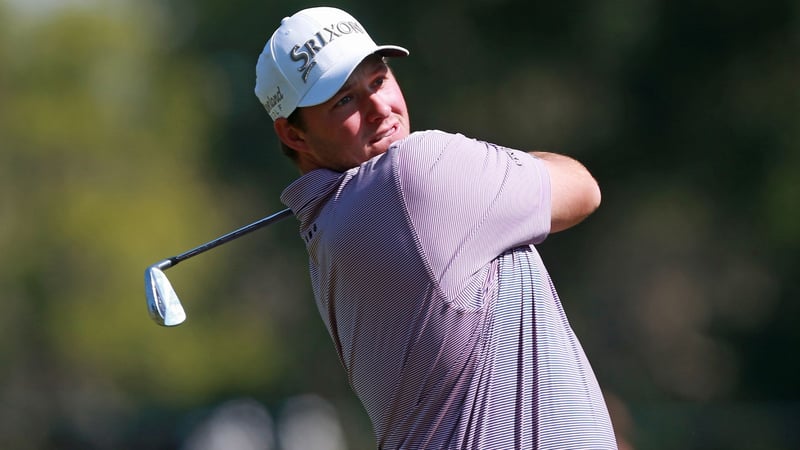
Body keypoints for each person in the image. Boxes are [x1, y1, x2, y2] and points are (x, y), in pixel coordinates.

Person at [255, 6, 617, 449]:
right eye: (343, 100)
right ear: (294, 135)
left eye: (379, 79)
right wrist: (495, 165)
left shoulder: (327, 234)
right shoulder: (414, 173)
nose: (378, 108)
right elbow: (583, 189)